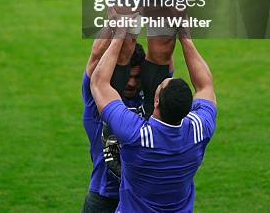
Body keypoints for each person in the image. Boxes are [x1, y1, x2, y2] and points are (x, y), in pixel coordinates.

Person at [90, 24, 217, 213]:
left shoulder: (137, 135)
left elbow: (99, 83)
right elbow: (205, 85)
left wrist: (119, 33)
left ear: (156, 101)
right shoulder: (199, 129)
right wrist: (185, 37)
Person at [82, 24, 146, 213]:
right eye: (129, 76)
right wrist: (115, 23)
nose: (132, 83)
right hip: (103, 199)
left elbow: (164, 59)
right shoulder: (98, 98)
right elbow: (95, 56)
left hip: (139, 200)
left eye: (138, 77)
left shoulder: (150, 99)